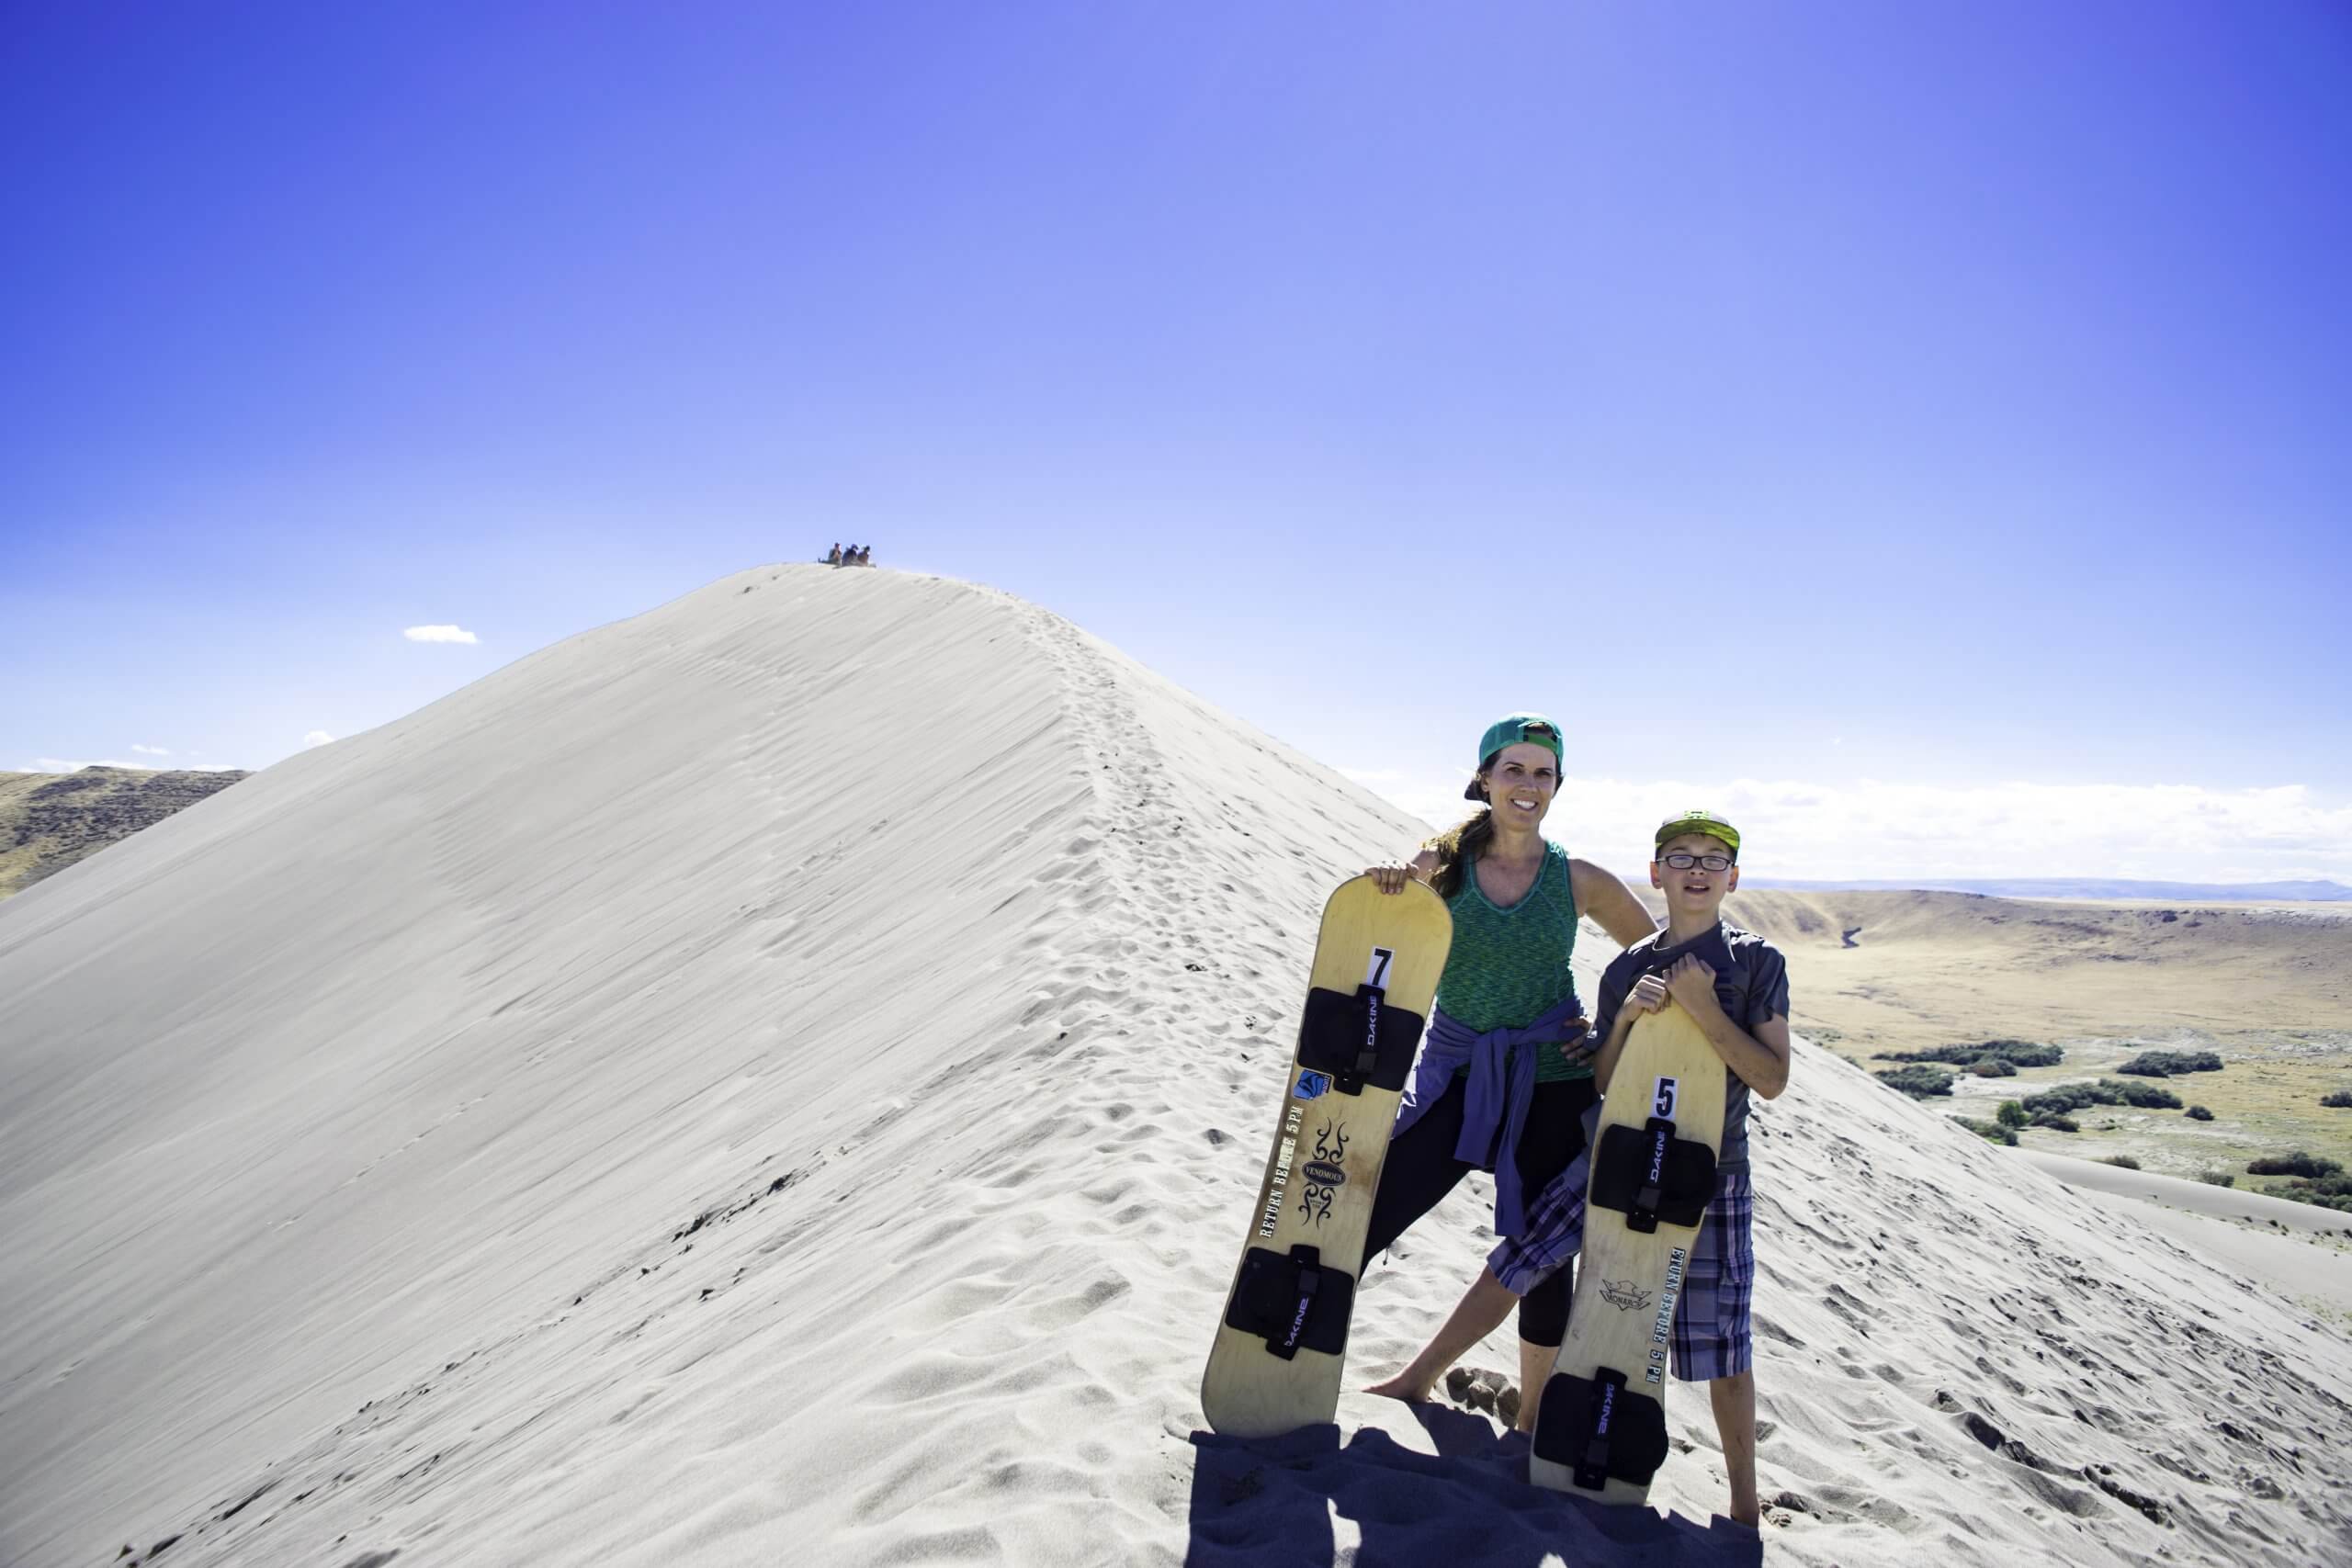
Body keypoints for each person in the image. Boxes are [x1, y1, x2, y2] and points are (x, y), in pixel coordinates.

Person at [1375, 808, 1791, 1528]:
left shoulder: (1758, 962)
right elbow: (1603, 1077)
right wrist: (1624, 1020)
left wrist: (1700, 1005)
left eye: (1713, 859)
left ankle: (1746, 1507)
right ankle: (1417, 1377)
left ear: (1733, 877)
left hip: (1712, 1172)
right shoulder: (1630, 966)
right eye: (1681, 857)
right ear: (1656, 873)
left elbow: (1770, 1076)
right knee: (1521, 1256)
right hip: (1610, 1154)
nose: (1697, 870)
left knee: (1721, 1343)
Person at [1357, 715, 1657, 1418]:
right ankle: (1305, 1354)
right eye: (1514, 770)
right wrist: (1389, 886)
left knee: (1544, 1260)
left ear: (1557, 785)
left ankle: (1531, 1414)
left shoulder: (1578, 878)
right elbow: (1377, 933)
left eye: (1542, 772)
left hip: (1555, 1080)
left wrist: (1611, 1029)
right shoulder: (1444, 865)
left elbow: (1657, 955)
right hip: (1461, 1072)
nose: (1528, 785)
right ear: (1485, 778)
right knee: (1374, 1211)